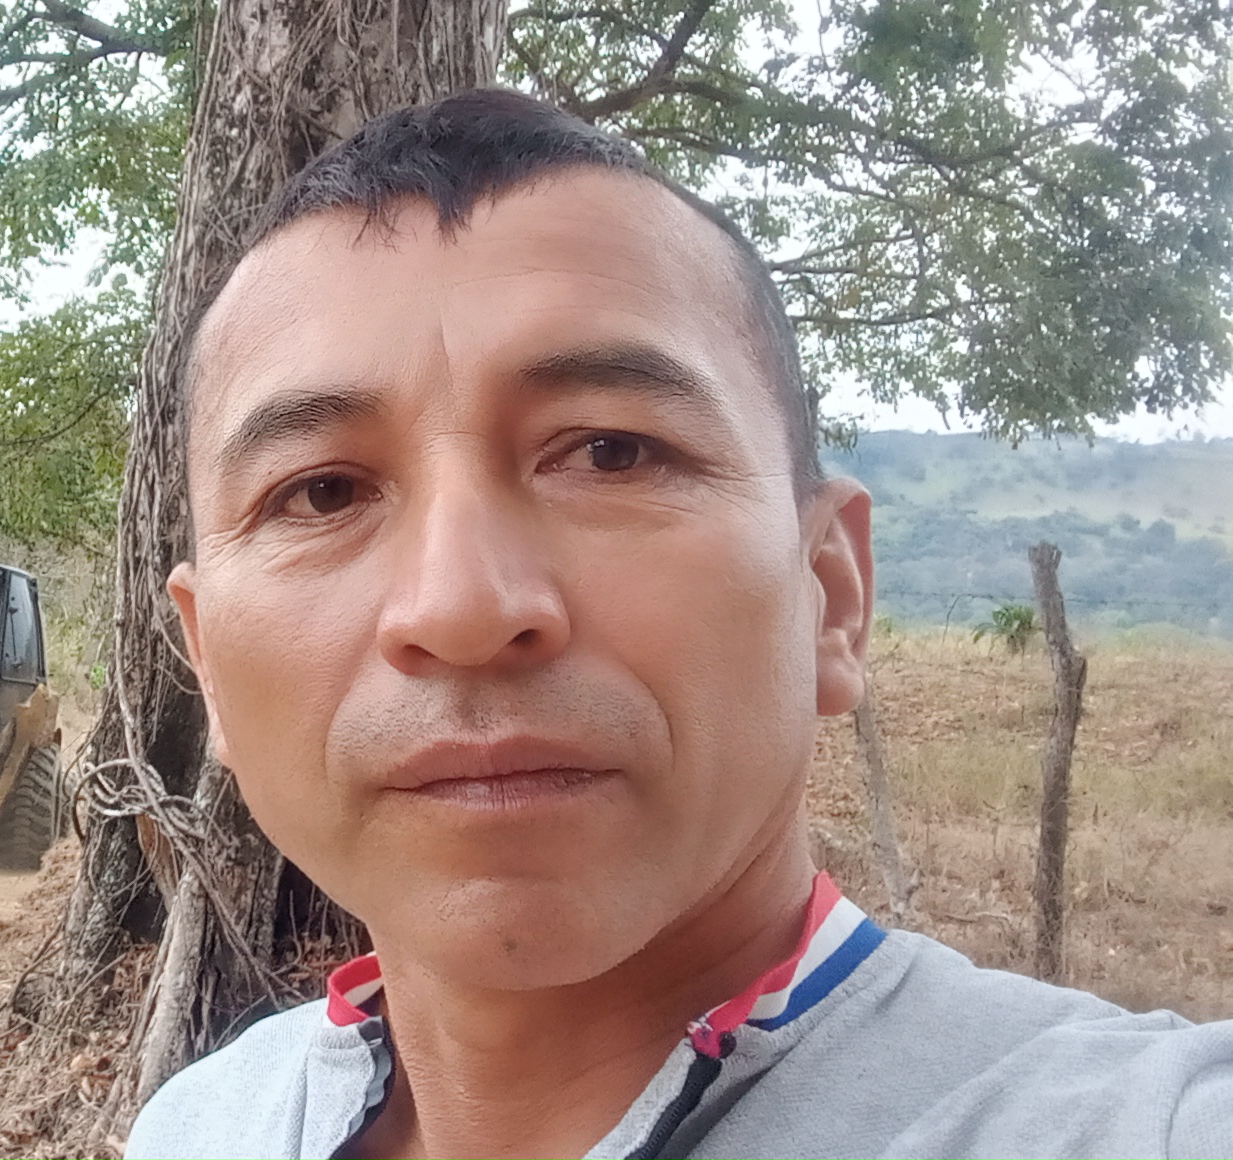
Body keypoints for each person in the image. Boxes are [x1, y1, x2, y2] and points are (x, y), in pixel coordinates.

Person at [126, 88, 1233, 1160]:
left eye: (610, 452)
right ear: (208, 663)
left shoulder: (1137, 1123)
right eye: (322, 492)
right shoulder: (203, 1125)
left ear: (831, 593)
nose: (461, 607)